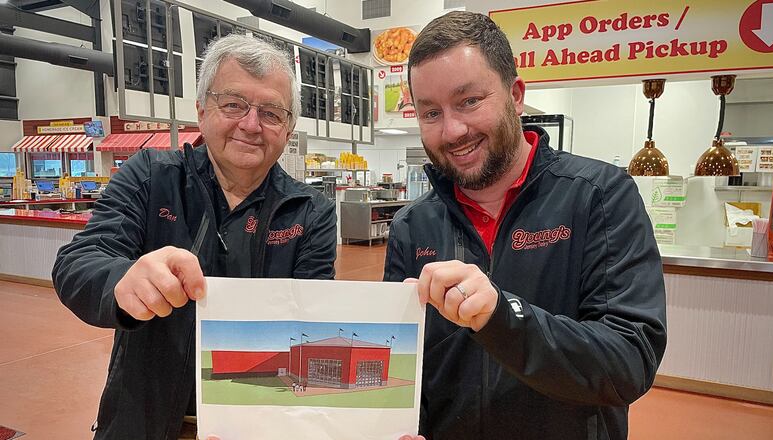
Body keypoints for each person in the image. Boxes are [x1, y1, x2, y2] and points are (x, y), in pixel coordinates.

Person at [385, 11, 667, 440]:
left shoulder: (598, 196)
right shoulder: (412, 225)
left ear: (515, 95)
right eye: (430, 113)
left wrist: (502, 316)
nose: (452, 130)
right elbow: (403, 367)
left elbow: (629, 362)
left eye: (469, 101)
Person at [53, 34, 336, 440]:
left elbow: (311, 322)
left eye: (271, 112)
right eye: (234, 104)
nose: (251, 125)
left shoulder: (311, 211)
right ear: (202, 110)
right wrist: (124, 279)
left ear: (288, 128)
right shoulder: (150, 176)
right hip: (142, 421)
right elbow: (78, 264)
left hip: (260, 424)